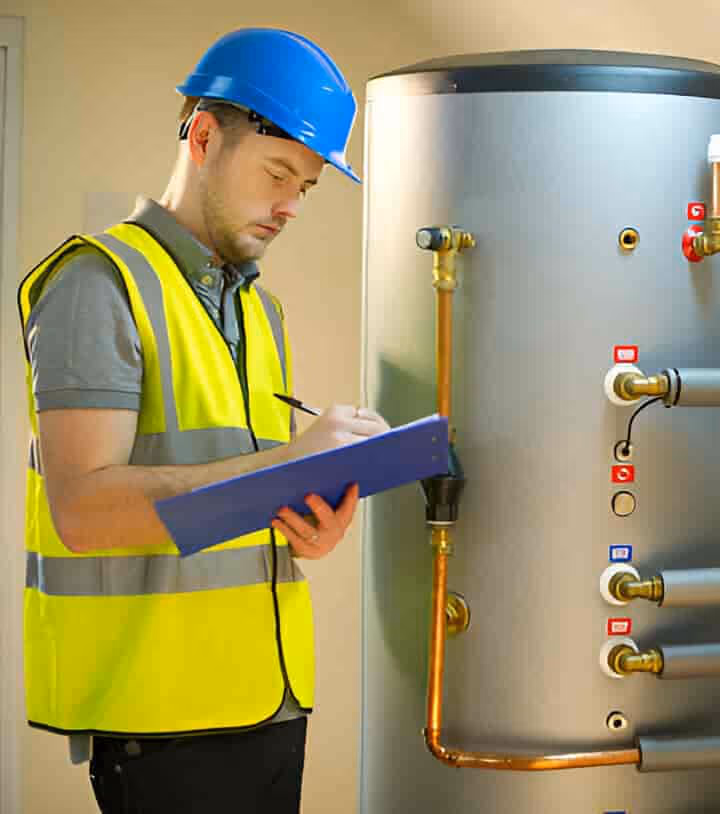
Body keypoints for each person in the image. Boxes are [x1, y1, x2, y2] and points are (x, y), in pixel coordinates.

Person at [18, 28, 386, 813]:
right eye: (278, 173)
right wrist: (288, 468)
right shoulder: (97, 282)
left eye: (307, 187)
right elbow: (82, 510)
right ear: (204, 136)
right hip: (164, 722)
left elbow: (231, 491)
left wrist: (305, 519)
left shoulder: (260, 309)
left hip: (270, 704)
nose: (290, 205)